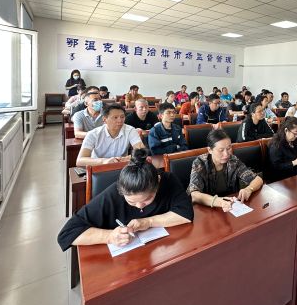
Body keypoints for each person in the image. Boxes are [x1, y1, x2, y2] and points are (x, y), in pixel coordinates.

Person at [57, 148, 193, 251]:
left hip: (160, 251)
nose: (139, 206)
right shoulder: (112, 194)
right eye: (131, 202)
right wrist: (109, 236)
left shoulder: (168, 180)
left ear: (158, 181)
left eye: (147, 199)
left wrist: (148, 222)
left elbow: (186, 214)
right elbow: (67, 234)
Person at [187, 129, 263, 211]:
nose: (226, 154)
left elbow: (258, 180)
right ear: (210, 150)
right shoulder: (200, 163)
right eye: (221, 150)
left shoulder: (233, 160)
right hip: (208, 209)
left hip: (231, 207)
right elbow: (194, 194)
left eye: (229, 148)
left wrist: (249, 189)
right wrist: (218, 201)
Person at [76, 104, 145, 167]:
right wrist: (104, 161)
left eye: (122, 117)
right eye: (115, 117)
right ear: (104, 120)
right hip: (99, 167)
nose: (120, 120)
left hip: (123, 167)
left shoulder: (130, 130)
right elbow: (80, 161)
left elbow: (142, 152)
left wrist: (127, 158)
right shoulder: (93, 134)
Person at [267, 117, 297, 182]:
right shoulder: (276, 145)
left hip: (295, 176)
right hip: (281, 180)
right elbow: (276, 167)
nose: (296, 136)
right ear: (286, 130)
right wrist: (294, 162)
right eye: (295, 133)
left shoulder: (295, 141)